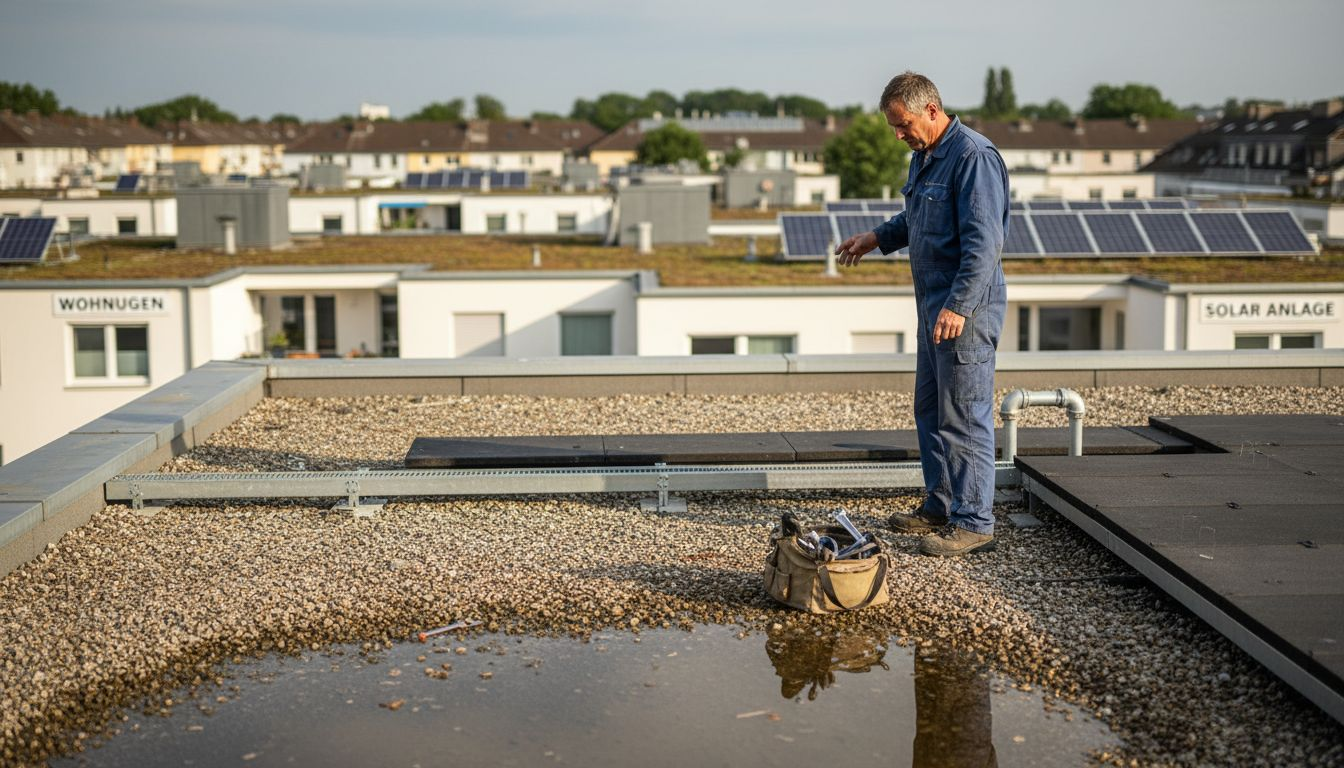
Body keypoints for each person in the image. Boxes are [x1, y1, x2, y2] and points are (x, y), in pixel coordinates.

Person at [834, 72, 1008, 557]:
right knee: (931, 410)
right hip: (934, 310)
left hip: (964, 312)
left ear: (931, 109)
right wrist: (877, 238)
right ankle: (941, 504)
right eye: (893, 127)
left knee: (964, 417)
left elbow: (984, 244)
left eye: (903, 124)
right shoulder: (926, 155)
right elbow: (918, 218)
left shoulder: (973, 157)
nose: (899, 135)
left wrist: (958, 305)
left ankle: (973, 522)